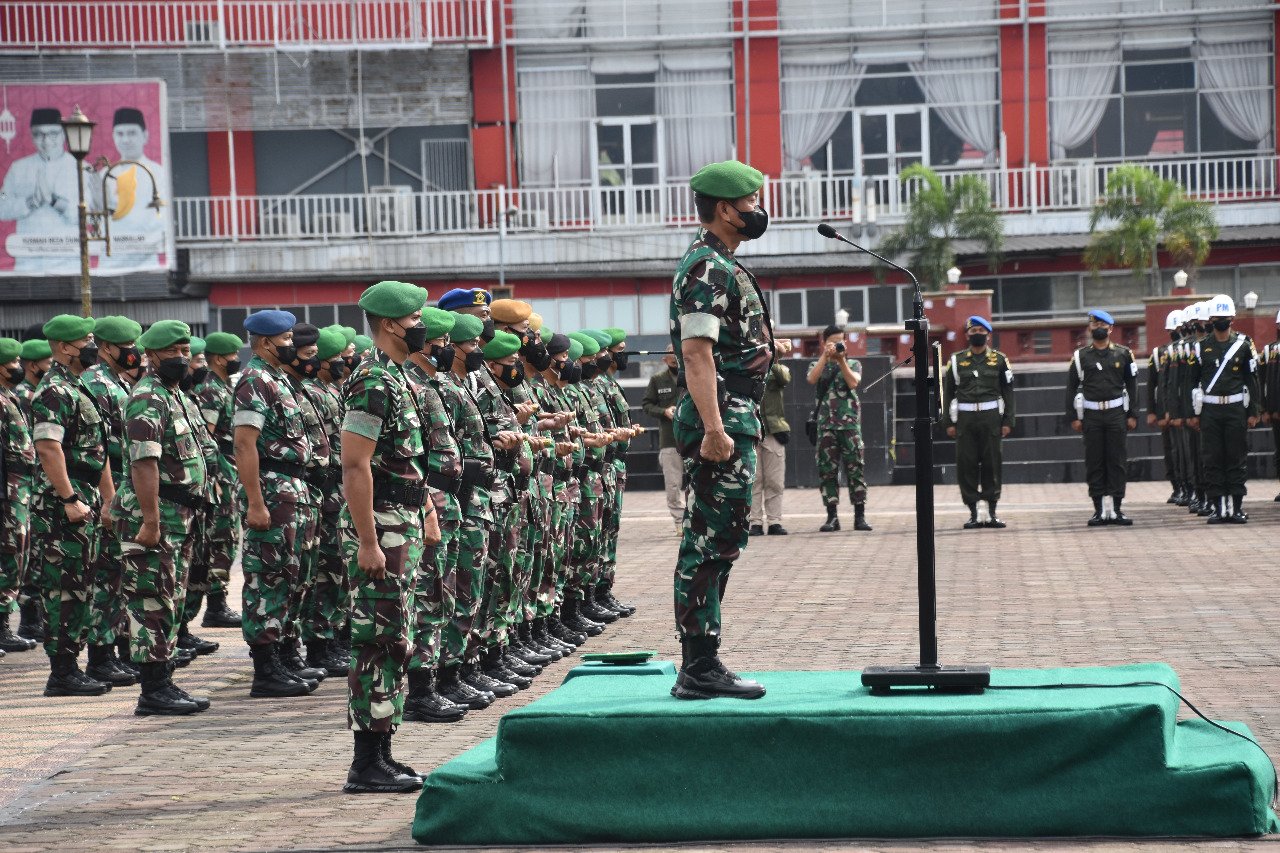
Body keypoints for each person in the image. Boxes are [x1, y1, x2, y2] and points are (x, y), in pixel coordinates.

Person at [669, 159, 776, 701]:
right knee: (709, 539)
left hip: (736, 413)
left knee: (723, 539)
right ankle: (698, 666)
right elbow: (696, 352)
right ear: (725, 209)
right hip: (722, 417)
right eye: (751, 203)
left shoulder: (721, 263)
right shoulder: (707, 267)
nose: (758, 212)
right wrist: (714, 426)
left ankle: (702, 661)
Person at [339, 280, 439, 794]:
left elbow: (403, 463)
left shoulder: (395, 376)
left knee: (394, 641)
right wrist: (367, 540)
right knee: (377, 642)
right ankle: (366, 763)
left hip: (398, 522)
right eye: (417, 317)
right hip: (380, 525)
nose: (423, 324)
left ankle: (382, 752)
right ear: (392, 324)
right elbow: (355, 465)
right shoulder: (372, 381)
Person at [114, 320, 212, 715]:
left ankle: (164, 679)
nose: (182, 357)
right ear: (151, 356)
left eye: (185, 349)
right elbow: (144, 464)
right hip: (156, 513)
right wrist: (151, 520)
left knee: (170, 597)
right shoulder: (148, 397)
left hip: (180, 512)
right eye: (172, 352)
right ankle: (153, 690)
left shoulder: (177, 396)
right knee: (152, 599)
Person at [30, 314, 116, 696]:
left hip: (86, 494)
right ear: (65, 347)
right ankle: (62, 672)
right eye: (87, 340)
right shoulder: (53, 391)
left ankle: (73, 665)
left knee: (83, 583)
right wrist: (68, 498)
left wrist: (109, 499)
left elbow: (97, 452)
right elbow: (49, 448)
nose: (93, 346)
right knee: (64, 587)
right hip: (63, 502)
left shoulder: (78, 387)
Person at [233, 310, 317, 698]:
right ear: (266, 343)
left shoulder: (277, 379)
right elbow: (244, 443)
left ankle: (282, 658)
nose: (292, 345)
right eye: (285, 339)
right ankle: (265, 670)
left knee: (289, 575)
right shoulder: (254, 380)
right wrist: (255, 502)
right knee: (267, 577)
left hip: (291, 488)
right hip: (270, 488)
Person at [401, 308, 469, 723]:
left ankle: (444, 677)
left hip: (444, 499)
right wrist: (427, 504)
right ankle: (422, 689)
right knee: (427, 598)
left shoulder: (434, 383)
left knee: (445, 594)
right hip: (425, 502)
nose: (447, 350)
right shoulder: (404, 383)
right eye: (442, 344)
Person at [79, 316, 145, 686]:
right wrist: (108, 498)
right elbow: (100, 449)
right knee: (105, 577)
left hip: (124, 486)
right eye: (127, 346)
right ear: (106, 348)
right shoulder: (97, 384)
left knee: (119, 576)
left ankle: (117, 653)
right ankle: (100, 658)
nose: (133, 353)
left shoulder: (116, 382)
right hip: (111, 488)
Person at [1185, 294, 1259, 524]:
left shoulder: (1243, 346)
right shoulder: (1200, 348)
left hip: (1236, 408)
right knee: (1213, 459)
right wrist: (1192, 414)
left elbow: (1252, 380)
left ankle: (1236, 507)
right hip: (1210, 411)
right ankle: (1218, 507)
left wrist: (1254, 411)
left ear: (1232, 318)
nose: (1221, 320)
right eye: (1217, 317)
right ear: (1210, 319)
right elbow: (1190, 382)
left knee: (1236, 458)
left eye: (1224, 317)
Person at [941, 316, 1015, 529]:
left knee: (992, 464)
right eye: (973, 332)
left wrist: (1008, 419)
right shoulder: (956, 361)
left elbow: (1008, 392)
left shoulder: (1000, 360)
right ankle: (973, 512)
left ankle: (991, 512)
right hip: (965, 419)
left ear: (988, 335)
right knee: (967, 464)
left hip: (991, 417)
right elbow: (947, 394)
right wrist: (948, 422)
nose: (977, 335)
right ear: (967, 335)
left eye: (981, 331)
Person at [191, 331, 245, 628]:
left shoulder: (223, 386)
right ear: (220, 358)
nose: (237, 360)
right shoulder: (212, 388)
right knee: (221, 535)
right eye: (234, 355)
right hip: (219, 471)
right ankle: (215, 604)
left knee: (228, 536)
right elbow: (207, 434)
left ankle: (218, 601)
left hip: (229, 469)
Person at [1065, 309, 1137, 526]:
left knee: (1117, 461)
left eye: (1102, 325)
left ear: (1111, 328)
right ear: (1089, 328)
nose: (1098, 328)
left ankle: (1116, 508)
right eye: (1094, 325)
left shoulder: (1124, 354)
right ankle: (1098, 509)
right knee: (1095, 461)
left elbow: (1133, 387)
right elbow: (1070, 388)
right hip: (1091, 414)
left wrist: (1132, 414)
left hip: (1116, 413)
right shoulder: (1080, 356)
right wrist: (1073, 417)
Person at [808, 324, 872, 533]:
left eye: (840, 341)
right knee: (827, 471)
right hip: (826, 425)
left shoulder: (853, 363)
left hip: (850, 425)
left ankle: (860, 516)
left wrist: (841, 359)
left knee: (855, 469)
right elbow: (811, 379)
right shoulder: (817, 364)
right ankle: (832, 517)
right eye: (832, 341)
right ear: (824, 343)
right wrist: (825, 358)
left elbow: (853, 383)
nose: (836, 345)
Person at [0, 109, 79, 273]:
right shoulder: (18, 168)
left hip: (67, 260)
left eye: (53, 133)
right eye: (39, 134)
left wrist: (54, 201)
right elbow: (2, 206)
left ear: (64, 134)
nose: (46, 140)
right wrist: (31, 202)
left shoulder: (80, 168)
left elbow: (88, 217)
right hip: (29, 260)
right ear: (31, 136)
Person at [0, 336, 37, 654]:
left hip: (17, 492)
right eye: (12, 364)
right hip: (7, 493)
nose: (17, 368)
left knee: (16, 558)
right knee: (8, 558)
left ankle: (4, 628)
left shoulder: (7, 396)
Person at [97, 107, 167, 271]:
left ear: (145, 136)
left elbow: (159, 221)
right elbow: (95, 223)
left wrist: (114, 211)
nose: (126, 140)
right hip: (110, 262)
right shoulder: (105, 175)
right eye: (120, 134)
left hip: (147, 263)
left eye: (131, 133)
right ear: (113, 137)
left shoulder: (158, 173)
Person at [14, 337, 52, 641]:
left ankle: (34, 618)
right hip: (26, 485)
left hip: (36, 482)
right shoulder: (24, 395)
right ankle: (28, 619)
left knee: (36, 555)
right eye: (48, 363)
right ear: (33, 365)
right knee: (28, 554)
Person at [642, 344, 686, 536]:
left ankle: (694, 519)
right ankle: (679, 521)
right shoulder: (658, 380)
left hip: (694, 438)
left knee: (696, 482)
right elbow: (646, 405)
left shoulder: (694, 375)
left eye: (678, 353)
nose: (675, 357)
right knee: (673, 483)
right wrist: (664, 411)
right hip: (669, 439)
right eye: (671, 354)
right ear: (664, 359)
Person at [749, 361, 792, 536]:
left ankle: (774, 521)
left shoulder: (775, 368)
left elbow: (785, 378)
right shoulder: (744, 364)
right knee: (754, 480)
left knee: (774, 480)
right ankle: (755, 522)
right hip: (750, 429)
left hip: (774, 431)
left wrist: (773, 357)